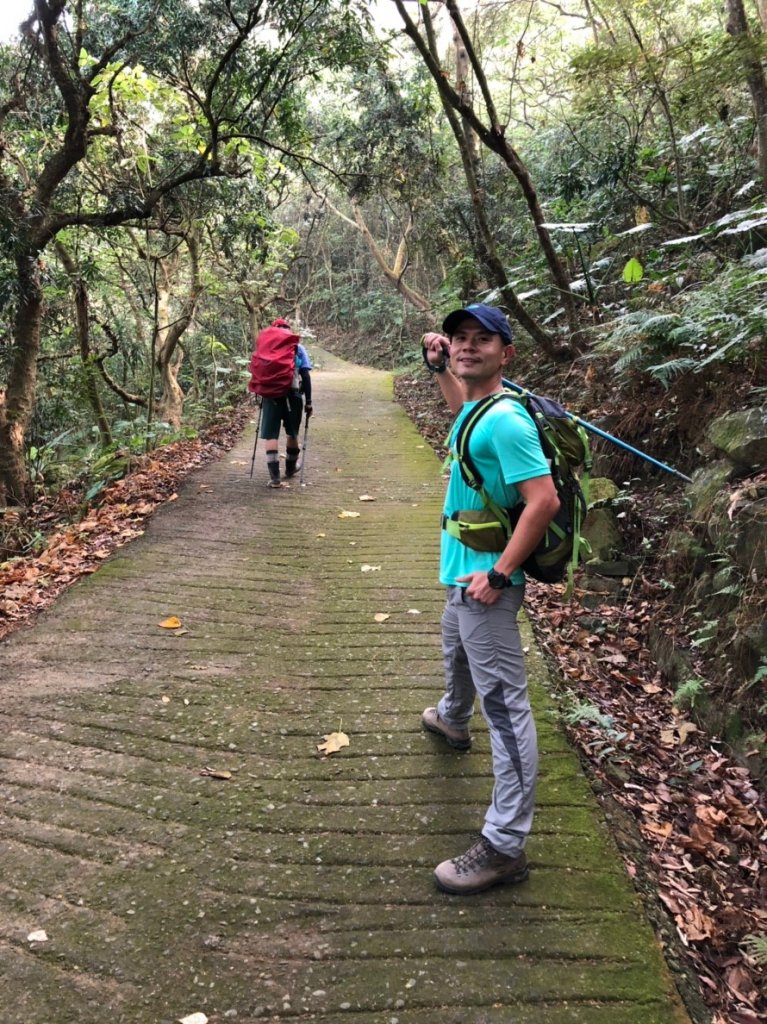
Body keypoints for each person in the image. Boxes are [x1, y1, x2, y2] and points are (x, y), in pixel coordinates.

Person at [421, 303, 560, 895]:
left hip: (488, 584)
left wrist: (500, 576)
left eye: (483, 340)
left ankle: (505, 846)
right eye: (459, 338)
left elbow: (544, 501)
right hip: (464, 575)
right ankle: (453, 721)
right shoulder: (481, 410)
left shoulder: (508, 421)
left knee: (504, 708)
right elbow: (464, 428)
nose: (466, 346)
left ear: (507, 352)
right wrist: (437, 371)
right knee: (456, 655)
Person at [259, 319, 313, 488]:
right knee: (292, 433)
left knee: (271, 435)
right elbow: (305, 375)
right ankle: (290, 469)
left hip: (270, 396)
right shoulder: (297, 348)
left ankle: (275, 478)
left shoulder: (265, 348)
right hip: (292, 394)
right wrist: (309, 402)